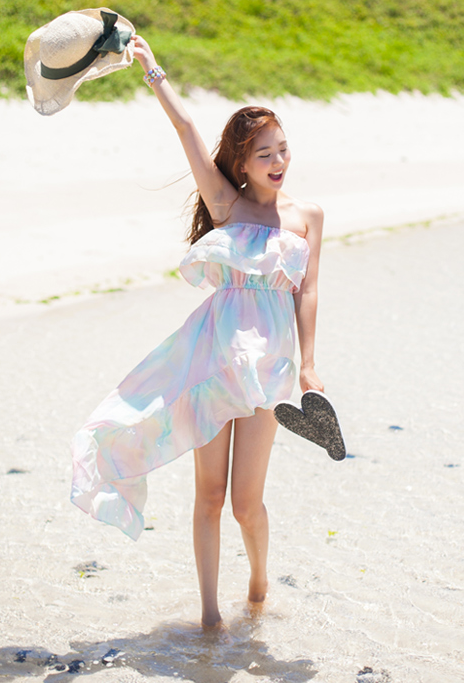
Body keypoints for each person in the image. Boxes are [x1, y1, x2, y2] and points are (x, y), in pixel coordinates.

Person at [71, 34, 325, 628]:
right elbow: (187, 131)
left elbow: (308, 291)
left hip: (267, 371)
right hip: (214, 363)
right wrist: (151, 66)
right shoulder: (227, 206)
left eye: (283, 150)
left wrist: (310, 363)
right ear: (240, 163)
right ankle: (210, 615)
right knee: (209, 497)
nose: (278, 162)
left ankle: (258, 583)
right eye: (264, 154)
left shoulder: (307, 217)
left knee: (245, 502)